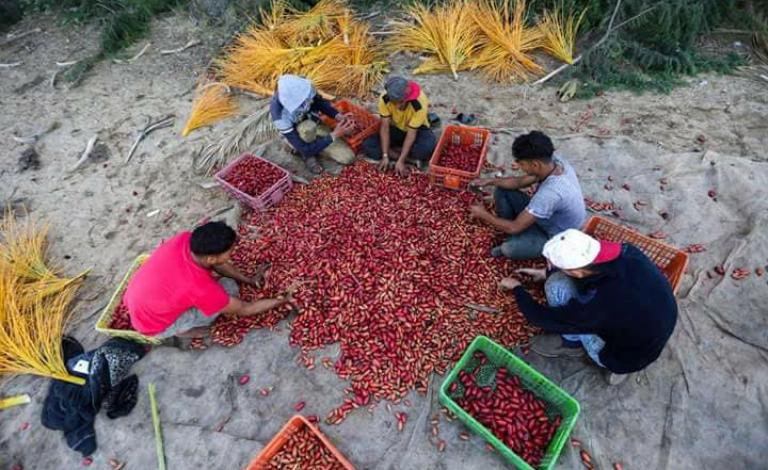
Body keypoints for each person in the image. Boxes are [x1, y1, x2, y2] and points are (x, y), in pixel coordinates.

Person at [499, 229, 678, 385]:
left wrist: (517, 289)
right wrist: (545, 272)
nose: (553, 268)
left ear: (577, 272)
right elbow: (586, 272)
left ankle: (572, 344)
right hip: (655, 325)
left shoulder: (598, 306)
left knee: (556, 284)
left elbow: (541, 318)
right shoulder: (628, 251)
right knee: (564, 282)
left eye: (557, 266)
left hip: (623, 357)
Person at [124, 221, 293, 345]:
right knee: (229, 287)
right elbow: (244, 309)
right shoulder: (200, 288)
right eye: (230, 252)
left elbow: (218, 263)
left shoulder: (184, 239)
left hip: (138, 299)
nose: (232, 254)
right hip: (154, 326)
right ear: (211, 258)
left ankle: (180, 311)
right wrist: (282, 300)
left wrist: (249, 280)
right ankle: (182, 330)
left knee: (213, 283)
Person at [469, 131, 586, 260]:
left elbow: (514, 227)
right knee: (502, 190)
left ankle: (517, 235)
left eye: (522, 164)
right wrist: (489, 181)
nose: (520, 167)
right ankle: (512, 228)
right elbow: (519, 182)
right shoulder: (554, 162)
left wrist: (483, 214)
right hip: (546, 217)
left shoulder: (550, 194)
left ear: (536, 164)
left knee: (509, 249)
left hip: (556, 235)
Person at [270, 74, 357, 174]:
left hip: (315, 123)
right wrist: (334, 135)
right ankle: (304, 154)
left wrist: (337, 116)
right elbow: (305, 149)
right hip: (297, 135)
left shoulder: (303, 86)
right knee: (307, 130)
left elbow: (319, 103)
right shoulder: (280, 116)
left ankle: (317, 145)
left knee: (348, 158)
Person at [361, 76, 437, 177]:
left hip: (417, 130)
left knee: (426, 148)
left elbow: (411, 134)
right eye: (395, 103)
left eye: (401, 102)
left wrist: (400, 161)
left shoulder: (419, 103)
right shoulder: (385, 99)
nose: (398, 106)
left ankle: (397, 154)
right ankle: (408, 159)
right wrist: (385, 155)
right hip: (396, 128)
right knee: (368, 145)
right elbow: (385, 127)